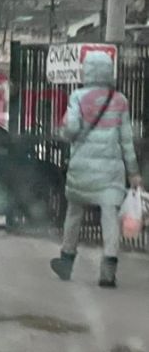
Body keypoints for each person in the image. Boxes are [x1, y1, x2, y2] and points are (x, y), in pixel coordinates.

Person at [50, 51, 142, 288]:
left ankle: (66, 261)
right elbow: (126, 140)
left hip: (82, 166)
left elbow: (71, 128)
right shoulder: (120, 100)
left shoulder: (78, 97)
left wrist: (63, 131)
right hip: (111, 170)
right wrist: (133, 172)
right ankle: (108, 270)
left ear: (88, 71)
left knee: (74, 213)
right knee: (109, 216)